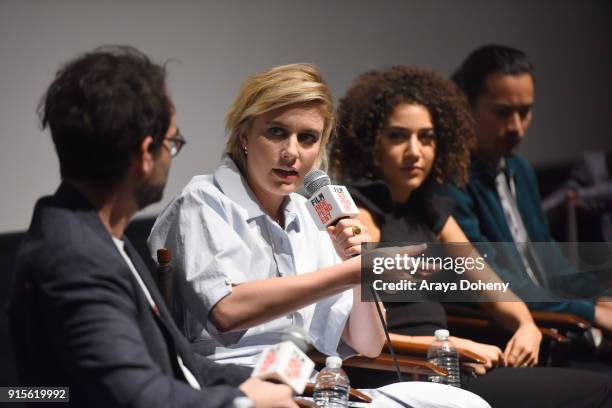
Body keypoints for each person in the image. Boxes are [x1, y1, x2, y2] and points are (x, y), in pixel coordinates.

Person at [148, 63, 492, 407]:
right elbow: (226, 311)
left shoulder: (308, 214)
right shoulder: (204, 200)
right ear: (244, 136)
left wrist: (359, 269)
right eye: (277, 132)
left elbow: (368, 343)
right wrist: (351, 271)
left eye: (308, 138)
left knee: (465, 404)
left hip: (310, 388)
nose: (292, 153)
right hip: (231, 388)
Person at [8, 45, 297, 408]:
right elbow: (137, 397)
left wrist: (282, 382)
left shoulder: (102, 236)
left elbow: (184, 366)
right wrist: (245, 402)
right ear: (146, 154)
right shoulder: (74, 257)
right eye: (172, 143)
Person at [329, 64, 612, 407]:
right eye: (398, 136)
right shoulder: (360, 214)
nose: (415, 151)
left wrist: (525, 325)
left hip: (448, 366)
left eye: (427, 137)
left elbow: (488, 287)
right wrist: (454, 346)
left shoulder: (432, 208)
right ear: (369, 142)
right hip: (402, 374)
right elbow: (363, 338)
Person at [439, 44, 612, 331]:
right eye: (503, 112)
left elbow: (549, 258)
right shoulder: (450, 179)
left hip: (554, 317)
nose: (516, 127)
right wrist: (589, 311)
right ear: (465, 107)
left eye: (525, 112)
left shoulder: (519, 168)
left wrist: (599, 297)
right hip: (513, 331)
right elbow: (495, 278)